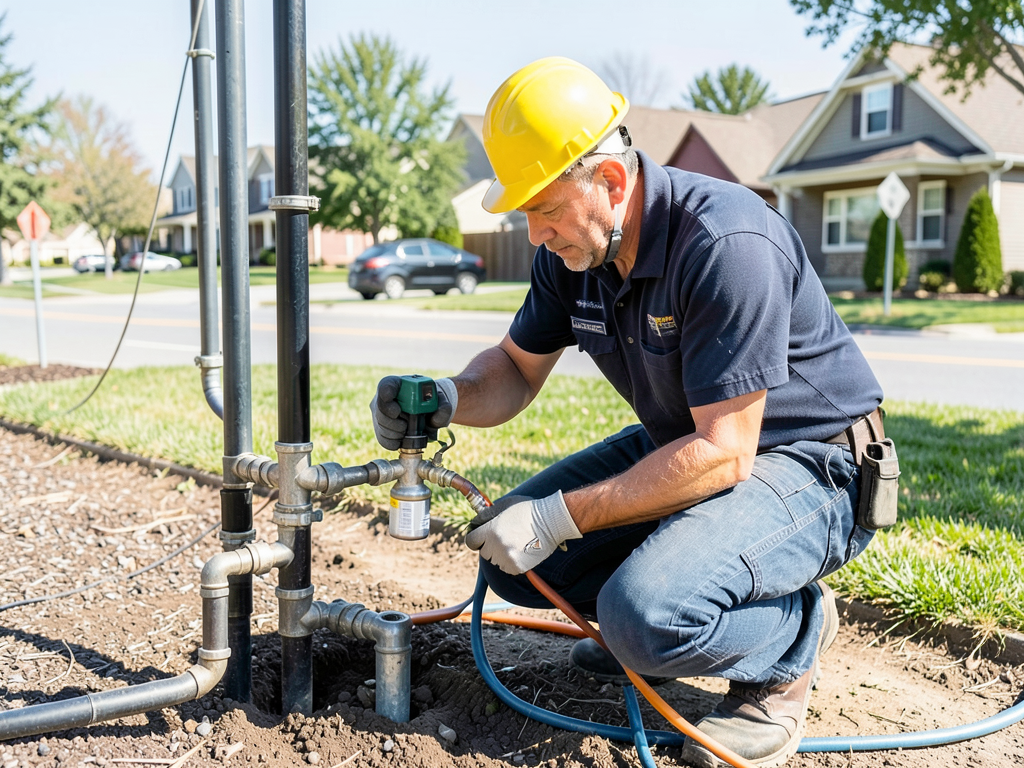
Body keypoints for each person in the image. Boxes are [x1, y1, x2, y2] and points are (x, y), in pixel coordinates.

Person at [370, 57, 887, 768]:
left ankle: (791, 641)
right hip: (698, 448)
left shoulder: (725, 242)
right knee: (518, 567)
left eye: (543, 209)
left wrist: (560, 516)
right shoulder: (575, 253)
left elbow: (728, 453)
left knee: (641, 615)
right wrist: (448, 398)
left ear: (610, 182)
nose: (533, 234)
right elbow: (515, 370)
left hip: (814, 466)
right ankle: (670, 616)